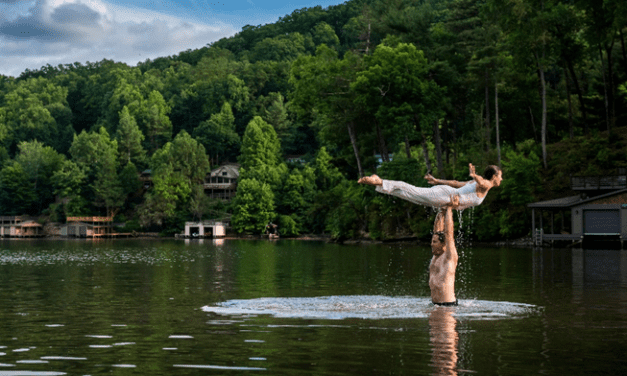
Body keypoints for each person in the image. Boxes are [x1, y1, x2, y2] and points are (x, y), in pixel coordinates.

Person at [357, 163, 503, 210]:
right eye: (500, 176)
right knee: (413, 190)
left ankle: (382, 185)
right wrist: (474, 175)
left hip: (445, 196)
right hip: (445, 196)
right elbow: (482, 182)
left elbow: (456, 183)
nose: (501, 179)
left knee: (410, 196)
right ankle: (380, 181)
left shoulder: (478, 184)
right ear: (494, 177)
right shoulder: (486, 184)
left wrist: (437, 180)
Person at [429, 196, 459, 306]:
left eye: (435, 242)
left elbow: (449, 234)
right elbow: (437, 229)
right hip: (435, 305)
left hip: (448, 306)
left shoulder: (449, 257)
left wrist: (450, 209)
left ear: (443, 244)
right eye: (432, 241)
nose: (432, 244)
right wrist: (441, 211)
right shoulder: (436, 256)